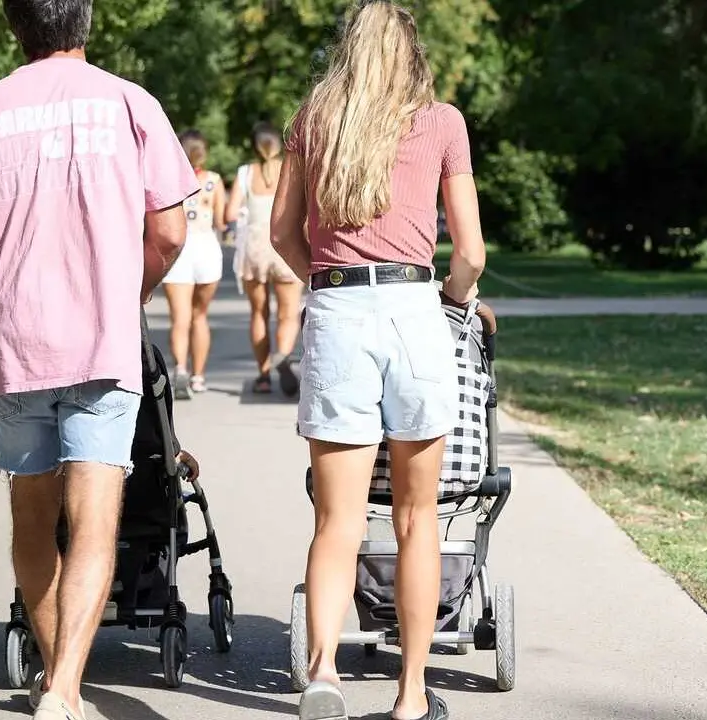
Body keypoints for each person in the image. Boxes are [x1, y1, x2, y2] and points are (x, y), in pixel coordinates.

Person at [0, 1, 197, 718]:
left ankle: (54, 673)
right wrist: (133, 288)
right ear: (85, 24)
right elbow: (170, 226)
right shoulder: (130, 103)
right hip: (101, 344)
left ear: (15, 27)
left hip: (15, 346)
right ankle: (64, 687)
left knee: (32, 518)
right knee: (95, 520)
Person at [271, 3, 486, 719]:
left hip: (338, 314)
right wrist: (456, 299)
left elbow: (281, 232)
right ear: (412, 53)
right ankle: (412, 696)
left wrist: (326, 283)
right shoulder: (442, 122)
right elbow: (472, 253)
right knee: (417, 517)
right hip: (414, 313)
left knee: (336, 521)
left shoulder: (314, 118)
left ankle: (325, 672)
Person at [226, 122, 303, 396]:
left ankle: (262, 376)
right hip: (286, 246)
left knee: (258, 313)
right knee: (288, 314)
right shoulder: (291, 169)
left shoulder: (246, 174)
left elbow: (230, 213)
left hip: (254, 249)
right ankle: (283, 355)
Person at [162, 130, 225, 400]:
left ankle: (180, 368)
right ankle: (199, 377)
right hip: (206, 248)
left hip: (179, 248)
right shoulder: (213, 181)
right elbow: (222, 220)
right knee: (200, 316)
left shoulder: (169, 179)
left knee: (180, 318)